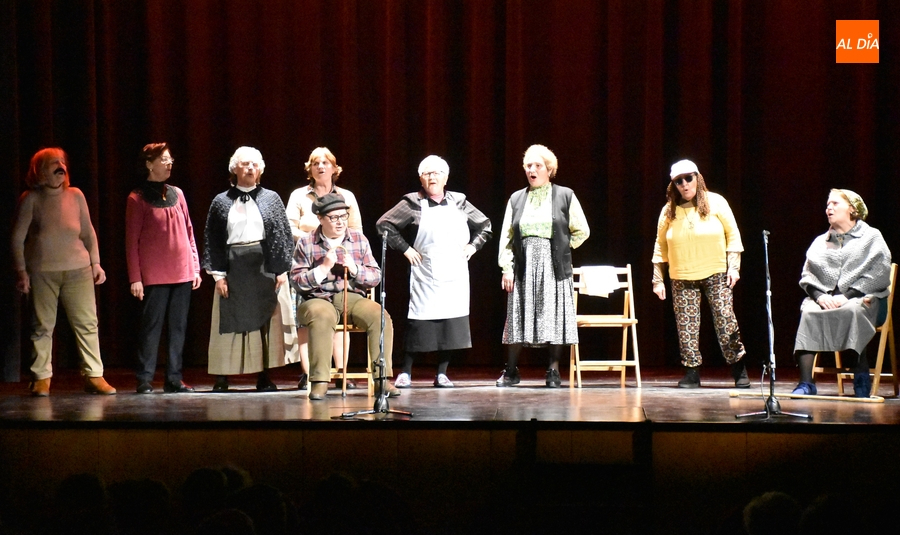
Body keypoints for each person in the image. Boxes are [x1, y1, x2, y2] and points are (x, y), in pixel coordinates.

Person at [377, 155, 492, 388]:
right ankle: (406, 372)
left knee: (449, 324)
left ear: (446, 178)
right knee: (418, 323)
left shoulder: (459, 202)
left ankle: (442, 373)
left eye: (437, 173)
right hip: (425, 271)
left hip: (455, 272)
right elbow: (384, 225)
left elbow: (485, 226)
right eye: (427, 173)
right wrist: (405, 249)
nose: (432, 177)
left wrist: (473, 246)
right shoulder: (412, 203)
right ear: (421, 178)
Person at [11, 148, 116, 396]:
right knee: (42, 326)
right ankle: (41, 378)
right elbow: (17, 238)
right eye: (52, 163)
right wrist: (21, 271)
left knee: (87, 323)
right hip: (43, 271)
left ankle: (94, 375)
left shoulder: (76, 195)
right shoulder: (31, 199)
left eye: (62, 162)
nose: (60, 165)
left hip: (78, 270)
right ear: (39, 171)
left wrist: (96, 263)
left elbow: (88, 232)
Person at [496, 144, 590, 388]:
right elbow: (506, 236)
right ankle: (511, 371)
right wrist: (507, 267)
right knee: (517, 315)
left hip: (553, 266)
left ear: (549, 169)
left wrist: (561, 251)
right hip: (524, 264)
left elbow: (582, 230)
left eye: (537, 166)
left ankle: (553, 370)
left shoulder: (564, 195)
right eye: (528, 166)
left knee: (555, 316)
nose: (532, 170)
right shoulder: (517, 198)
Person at [652, 159, 749, 388]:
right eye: (679, 181)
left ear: (698, 177)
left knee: (726, 320)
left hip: (716, 272)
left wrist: (734, 267)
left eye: (688, 178)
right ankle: (692, 372)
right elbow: (660, 246)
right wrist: (658, 280)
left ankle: (739, 368)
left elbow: (733, 235)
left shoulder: (716, 202)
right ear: (673, 185)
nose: (685, 185)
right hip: (681, 275)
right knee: (686, 326)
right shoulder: (668, 210)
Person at [203, 146, 294, 392]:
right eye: (245, 164)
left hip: (262, 265)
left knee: (263, 320)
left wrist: (281, 269)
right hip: (233, 266)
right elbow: (212, 238)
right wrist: (218, 276)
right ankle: (222, 377)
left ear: (261, 169)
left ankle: (263, 376)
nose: (250, 168)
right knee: (228, 318)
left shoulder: (271, 199)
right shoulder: (221, 202)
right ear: (235, 169)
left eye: (255, 164)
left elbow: (283, 235)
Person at [291, 192, 398, 400]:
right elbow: (297, 281)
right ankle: (320, 381)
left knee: (379, 315)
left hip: (351, 296)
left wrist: (356, 269)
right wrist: (322, 269)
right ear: (320, 218)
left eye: (343, 216)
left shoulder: (358, 239)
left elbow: (375, 276)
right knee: (321, 316)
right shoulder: (306, 242)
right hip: (316, 299)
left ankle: (382, 379)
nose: (340, 222)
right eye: (334, 217)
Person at [790, 189, 891, 398]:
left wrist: (847, 296)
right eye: (828, 204)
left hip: (866, 299)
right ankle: (806, 383)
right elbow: (807, 277)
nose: (829, 208)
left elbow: (880, 273)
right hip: (827, 301)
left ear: (852, 209)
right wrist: (820, 296)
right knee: (808, 311)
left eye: (835, 203)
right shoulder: (821, 241)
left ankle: (860, 376)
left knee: (853, 310)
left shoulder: (871, 237)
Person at [282, 147, 363, 390]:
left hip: (340, 264)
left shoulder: (346, 196)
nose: (320, 166)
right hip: (307, 261)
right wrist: (314, 236)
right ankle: (310, 374)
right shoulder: (299, 196)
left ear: (334, 168)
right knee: (307, 321)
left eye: (325, 162)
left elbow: (356, 229)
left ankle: (342, 373)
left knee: (340, 319)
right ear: (310, 168)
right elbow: (288, 229)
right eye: (316, 162)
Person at [125, 143, 201, 394]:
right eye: (164, 159)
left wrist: (196, 268)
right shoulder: (137, 198)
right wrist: (135, 277)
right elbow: (131, 240)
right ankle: (145, 378)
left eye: (171, 159)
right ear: (149, 163)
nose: (169, 163)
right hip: (155, 275)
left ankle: (174, 378)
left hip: (183, 271)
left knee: (178, 328)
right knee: (152, 327)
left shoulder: (177, 193)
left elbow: (189, 232)